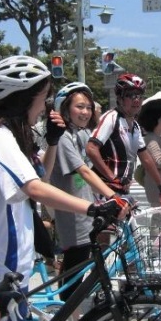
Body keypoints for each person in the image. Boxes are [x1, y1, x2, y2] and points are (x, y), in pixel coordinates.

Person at [0, 55, 126, 321]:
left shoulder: (8, 135)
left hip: (10, 263)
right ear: (25, 98)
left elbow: (42, 176)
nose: (43, 107)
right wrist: (94, 208)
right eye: (42, 98)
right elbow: (35, 189)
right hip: (4, 266)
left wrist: (51, 142)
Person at [50, 82, 117, 302]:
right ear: (64, 107)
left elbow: (84, 172)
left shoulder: (78, 134)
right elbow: (83, 172)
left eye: (88, 107)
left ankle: (71, 319)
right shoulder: (63, 138)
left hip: (84, 209)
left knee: (76, 268)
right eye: (80, 107)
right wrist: (113, 197)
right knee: (74, 273)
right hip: (73, 215)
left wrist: (104, 192)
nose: (86, 112)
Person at [86, 73, 161, 196]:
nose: (137, 100)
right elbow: (91, 148)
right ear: (119, 98)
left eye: (140, 96)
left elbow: (145, 158)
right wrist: (112, 178)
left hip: (121, 189)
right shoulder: (111, 118)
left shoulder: (135, 126)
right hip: (103, 190)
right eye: (130, 95)